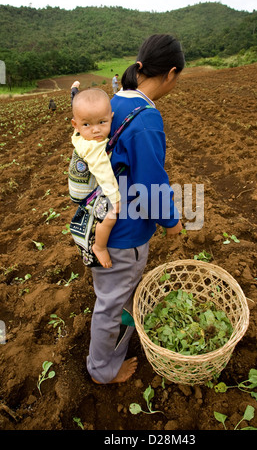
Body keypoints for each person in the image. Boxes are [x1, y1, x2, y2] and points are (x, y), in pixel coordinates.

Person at [85, 34, 185, 385]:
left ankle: (122, 339)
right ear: (171, 73)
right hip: (123, 234)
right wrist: (172, 222)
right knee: (111, 304)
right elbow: (152, 183)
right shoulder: (145, 120)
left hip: (106, 220)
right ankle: (101, 369)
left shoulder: (116, 102)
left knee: (117, 293)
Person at [71, 88, 120, 268]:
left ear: (111, 117)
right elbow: (104, 174)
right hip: (87, 194)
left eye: (102, 122)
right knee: (110, 217)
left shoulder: (80, 137)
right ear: (75, 125)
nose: (96, 130)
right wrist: (114, 199)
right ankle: (99, 246)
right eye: (87, 125)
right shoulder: (94, 149)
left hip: (82, 191)